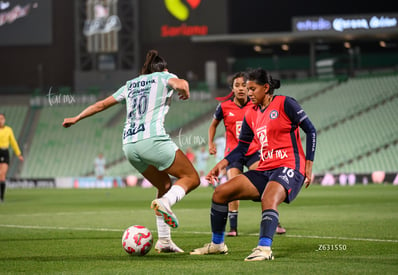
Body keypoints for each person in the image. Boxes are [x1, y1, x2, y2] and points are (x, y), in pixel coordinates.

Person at [63, 49, 200, 253]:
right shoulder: (164, 76)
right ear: (164, 69)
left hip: (129, 145)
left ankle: (163, 240)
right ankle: (166, 202)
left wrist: (76, 118)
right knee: (191, 177)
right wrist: (185, 91)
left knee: (163, 183)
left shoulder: (131, 84)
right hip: (152, 140)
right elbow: (182, 84)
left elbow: (101, 105)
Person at [191, 68, 317, 261]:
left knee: (269, 198)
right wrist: (222, 164)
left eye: (252, 88)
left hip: (289, 165)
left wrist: (309, 164)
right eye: (247, 89)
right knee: (220, 193)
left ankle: (264, 249)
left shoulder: (285, 103)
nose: (249, 93)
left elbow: (311, 130)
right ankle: (217, 244)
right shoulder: (251, 113)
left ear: (266, 88)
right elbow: (242, 147)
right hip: (265, 168)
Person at [208, 72, 286, 237]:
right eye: (237, 86)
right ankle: (233, 228)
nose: (241, 89)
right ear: (232, 89)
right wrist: (211, 142)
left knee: (266, 185)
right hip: (233, 153)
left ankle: (274, 221)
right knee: (233, 186)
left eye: (244, 85)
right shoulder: (223, 107)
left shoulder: (255, 105)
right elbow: (213, 125)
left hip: (253, 151)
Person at [0, 113, 24, 202]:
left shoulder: (8, 130)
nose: (0, 120)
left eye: (1, 119)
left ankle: (2, 197)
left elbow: (13, 142)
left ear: (4, 120)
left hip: (4, 152)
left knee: (2, 175)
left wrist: (19, 154)